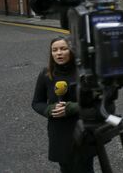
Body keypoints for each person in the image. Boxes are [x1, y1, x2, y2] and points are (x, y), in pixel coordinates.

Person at [31, 36, 95, 173]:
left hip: (82, 129)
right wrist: (49, 109)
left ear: (72, 51)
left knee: (84, 167)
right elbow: (36, 103)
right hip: (58, 132)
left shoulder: (84, 73)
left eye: (63, 49)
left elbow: (96, 104)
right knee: (65, 168)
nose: (58, 53)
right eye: (54, 50)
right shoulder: (46, 74)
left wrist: (73, 108)